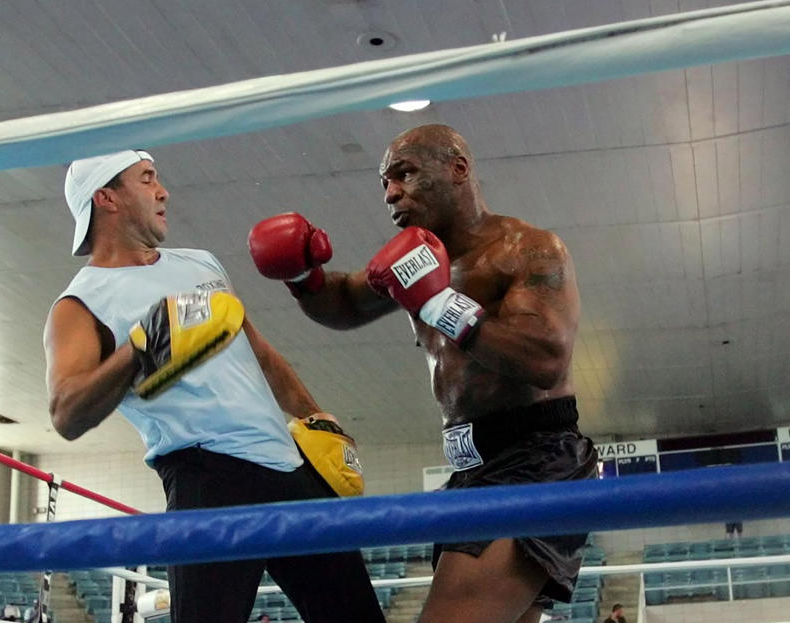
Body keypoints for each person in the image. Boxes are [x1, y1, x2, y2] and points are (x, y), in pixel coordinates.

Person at [248, 124, 598, 623]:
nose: (391, 192)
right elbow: (345, 304)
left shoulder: (529, 249)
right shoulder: (415, 259)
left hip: (535, 459)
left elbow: (544, 360)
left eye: (404, 174)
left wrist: (438, 303)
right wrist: (303, 276)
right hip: (472, 466)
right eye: (385, 183)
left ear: (458, 169)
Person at [44, 149, 385, 623]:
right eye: (146, 181)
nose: (162, 191)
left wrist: (317, 417)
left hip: (289, 466)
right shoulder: (80, 304)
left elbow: (258, 352)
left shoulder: (200, 265)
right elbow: (65, 413)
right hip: (208, 476)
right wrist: (142, 347)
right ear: (106, 198)